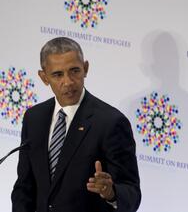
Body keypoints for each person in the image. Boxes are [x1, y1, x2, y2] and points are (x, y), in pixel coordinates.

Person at [11, 37, 141, 212]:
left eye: (74, 71)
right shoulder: (34, 118)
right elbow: (24, 186)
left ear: (85, 69)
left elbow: (131, 192)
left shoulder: (110, 122)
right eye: (58, 74)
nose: (68, 82)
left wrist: (112, 193)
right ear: (44, 77)